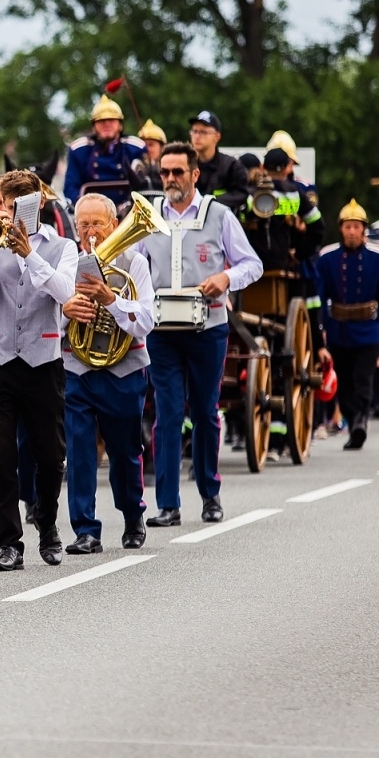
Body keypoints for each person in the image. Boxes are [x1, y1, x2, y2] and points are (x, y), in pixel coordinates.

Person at [134, 142, 263, 525]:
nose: (170, 179)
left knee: (206, 411)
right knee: (167, 413)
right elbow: (136, 266)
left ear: (195, 174)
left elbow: (251, 264)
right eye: (165, 172)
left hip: (208, 327)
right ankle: (168, 504)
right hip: (161, 330)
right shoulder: (147, 216)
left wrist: (225, 276)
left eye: (178, 172)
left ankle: (210, 495)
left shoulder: (219, 215)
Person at [0, 170, 78, 570]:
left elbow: (66, 294)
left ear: (39, 204)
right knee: (0, 455)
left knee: (49, 455)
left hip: (43, 360)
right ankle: (9, 543)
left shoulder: (62, 247)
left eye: (23, 203)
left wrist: (29, 255)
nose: (12, 211)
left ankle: (49, 527)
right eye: (7, 203)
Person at [61, 193, 155, 549]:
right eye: (82, 224)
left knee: (125, 451)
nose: (89, 232)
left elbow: (146, 320)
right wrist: (67, 309)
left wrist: (110, 300)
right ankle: (85, 529)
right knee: (79, 450)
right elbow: (51, 314)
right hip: (78, 368)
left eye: (96, 223)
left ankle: (133, 516)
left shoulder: (134, 263)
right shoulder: (69, 262)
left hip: (124, 368)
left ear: (114, 225)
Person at [314, 201, 379, 450]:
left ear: (363, 230)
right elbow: (319, 295)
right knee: (345, 382)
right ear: (341, 229)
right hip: (339, 329)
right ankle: (351, 416)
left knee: (364, 379)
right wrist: (321, 329)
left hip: (368, 329)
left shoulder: (377, 257)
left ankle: (361, 421)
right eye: (347, 227)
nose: (351, 231)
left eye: (356, 227)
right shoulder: (327, 258)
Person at [64, 95, 149, 207]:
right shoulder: (79, 150)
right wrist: (84, 206)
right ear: (93, 127)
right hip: (92, 211)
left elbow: (146, 185)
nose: (107, 124)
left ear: (120, 125)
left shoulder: (135, 148)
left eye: (111, 120)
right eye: (101, 121)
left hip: (129, 208)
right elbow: (71, 186)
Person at [188, 110, 250, 213]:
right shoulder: (186, 166)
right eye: (194, 131)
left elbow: (241, 194)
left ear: (217, 136)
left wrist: (209, 202)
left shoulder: (231, 166)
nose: (197, 136)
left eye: (203, 132)